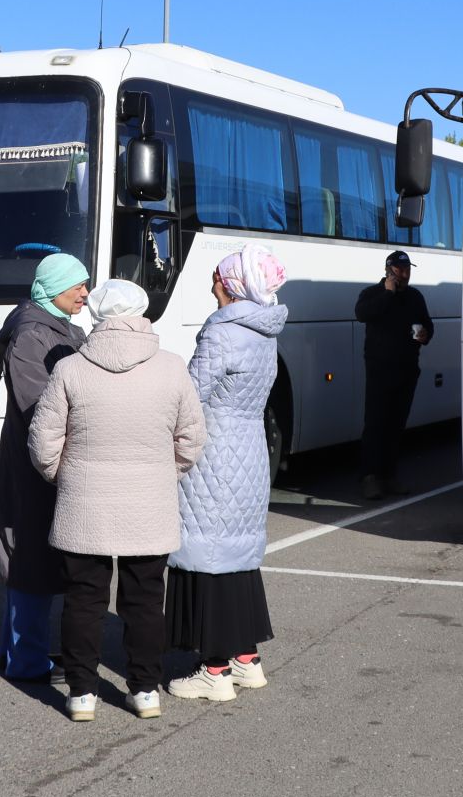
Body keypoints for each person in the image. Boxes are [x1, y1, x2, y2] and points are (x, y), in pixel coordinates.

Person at [30, 279, 206, 723]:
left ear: (98, 316)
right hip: (149, 503)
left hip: (84, 503)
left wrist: (62, 476)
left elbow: (43, 439)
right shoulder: (171, 367)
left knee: (84, 599)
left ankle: (82, 694)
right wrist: (167, 472)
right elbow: (191, 438)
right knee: (145, 600)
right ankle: (145, 690)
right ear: (142, 312)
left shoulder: (71, 368)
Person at [167, 244, 288, 702]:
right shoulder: (265, 333)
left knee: (207, 556)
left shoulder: (222, 334)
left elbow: (190, 393)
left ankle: (213, 669)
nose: (212, 284)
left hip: (214, 451)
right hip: (250, 449)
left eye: (218, 277)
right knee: (237, 555)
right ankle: (245, 658)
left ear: (233, 286)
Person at [0, 252, 90, 682]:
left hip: (50, 456)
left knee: (41, 555)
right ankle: (26, 661)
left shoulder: (60, 326)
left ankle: (21, 654)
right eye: (77, 285)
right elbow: (38, 407)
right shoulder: (32, 334)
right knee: (30, 556)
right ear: (52, 289)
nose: (85, 292)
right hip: (35, 461)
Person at [354, 250, 432, 500]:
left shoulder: (415, 296)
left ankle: (389, 475)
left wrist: (426, 335)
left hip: (407, 369)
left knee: (396, 425)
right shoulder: (372, 294)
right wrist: (388, 292)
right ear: (389, 270)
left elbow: (427, 323)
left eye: (408, 269)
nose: (405, 273)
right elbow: (362, 314)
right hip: (379, 370)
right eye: (400, 269)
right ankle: (370, 477)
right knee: (376, 423)